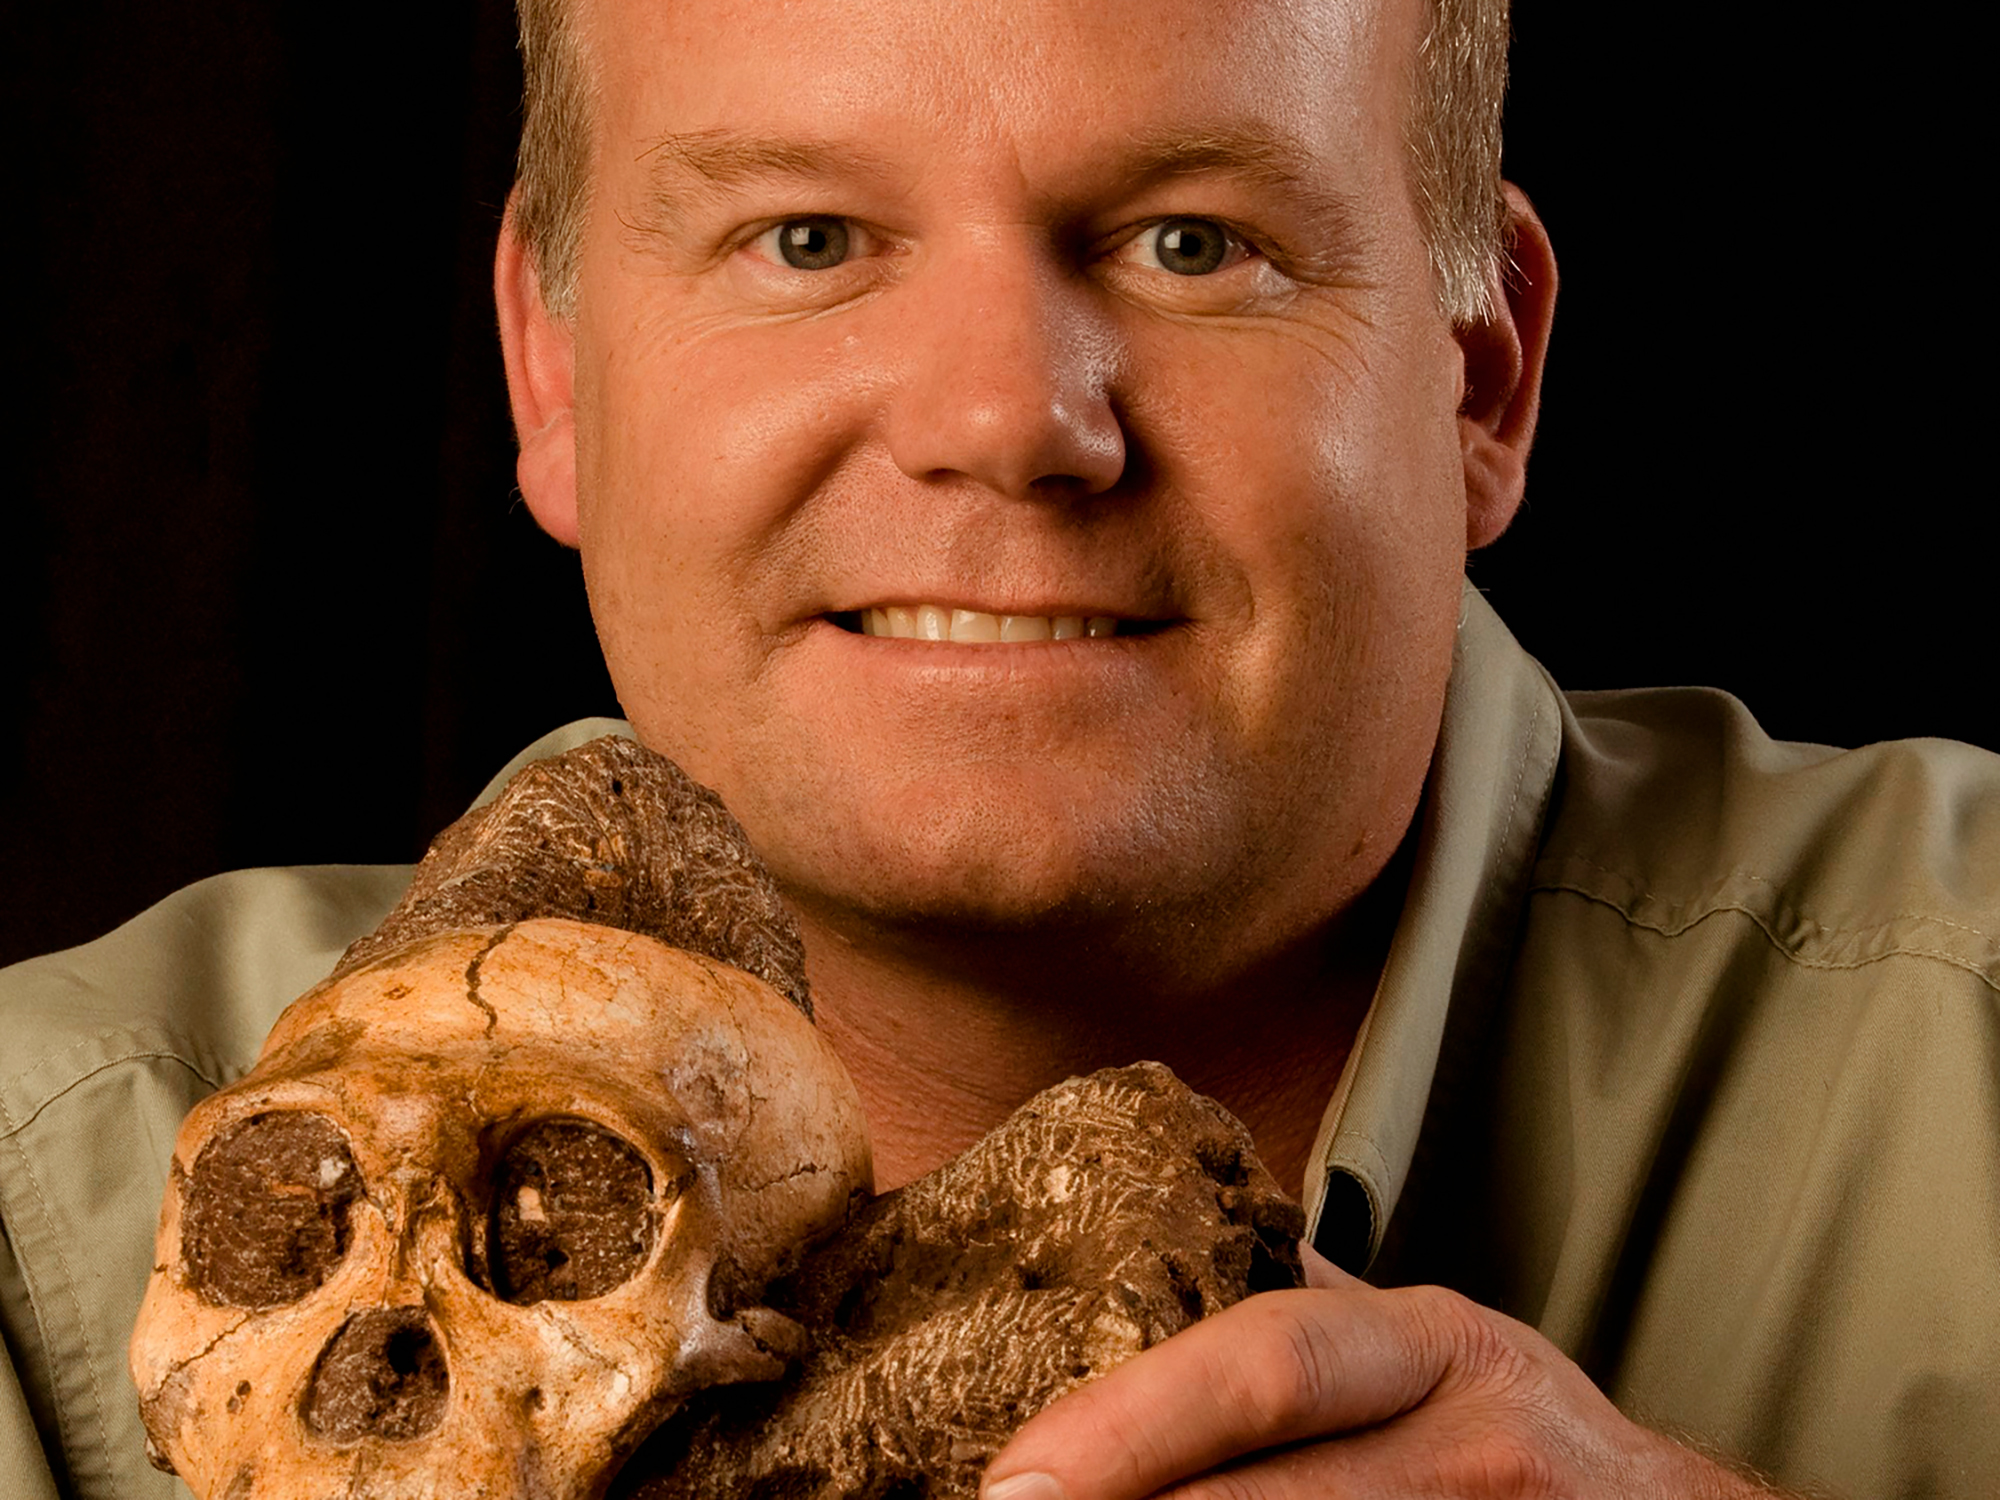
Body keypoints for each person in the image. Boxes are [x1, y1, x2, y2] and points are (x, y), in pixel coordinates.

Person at [2, 0, 1993, 1496]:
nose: (1005, 422)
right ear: (551, 363)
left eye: (1191, 241)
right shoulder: (36, 1215)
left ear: (1482, 378)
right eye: (804, 239)